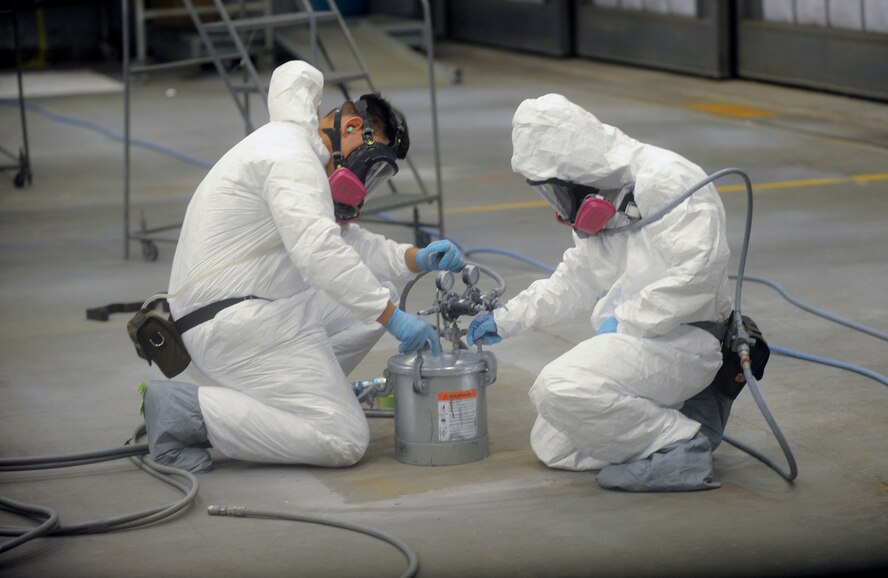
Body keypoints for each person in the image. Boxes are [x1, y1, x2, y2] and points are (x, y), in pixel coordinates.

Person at [142, 60, 462, 473]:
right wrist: (393, 318)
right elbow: (320, 253)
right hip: (230, 322)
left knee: (375, 297)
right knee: (344, 439)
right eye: (371, 163)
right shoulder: (290, 158)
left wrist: (415, 259)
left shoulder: (297, 151)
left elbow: (344, 243)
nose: (367, 182)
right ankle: (184, 411)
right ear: (350, 130)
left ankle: (299, 396)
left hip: (252, 309)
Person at [467, 94, 734, 492]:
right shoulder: (607, 195)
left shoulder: (667, 178)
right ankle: (673, 424)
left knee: (558, 386)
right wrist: (507, 320)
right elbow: (577, 276)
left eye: (557, 189)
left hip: (686, 337)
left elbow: (699, 273)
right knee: (553, 444)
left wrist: (626, 319)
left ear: (576, 162)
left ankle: (682, 445)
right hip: (643, 338)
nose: (559, 206)